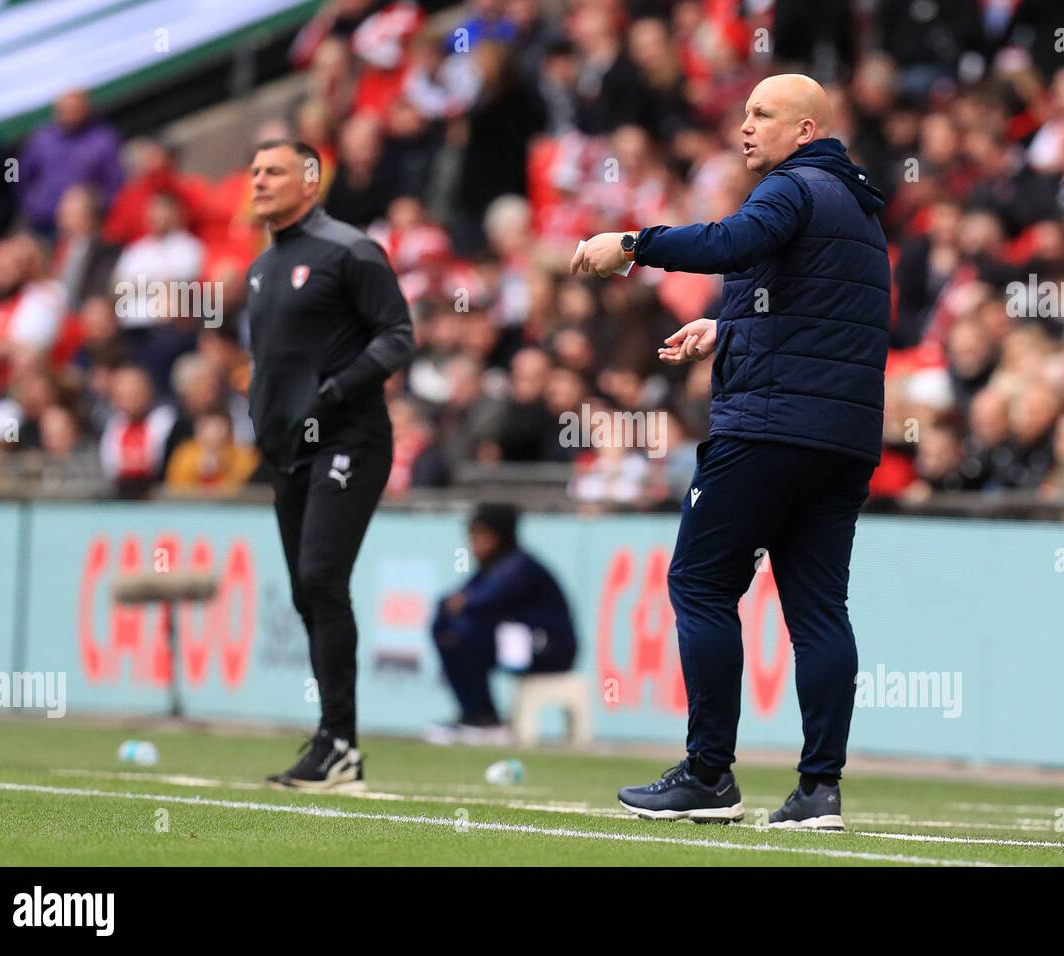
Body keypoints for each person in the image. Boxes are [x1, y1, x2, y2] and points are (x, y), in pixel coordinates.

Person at [572, 74, 889, 829]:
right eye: (744, 113)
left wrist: (630, 243)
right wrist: (732, 328)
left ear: (806, 129)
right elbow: (825, 320)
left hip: (767, 431)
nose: (744, 128)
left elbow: (730, 243)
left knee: (702, 586)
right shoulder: (861, 209)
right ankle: (819, 791)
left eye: (762, 115)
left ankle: (709, 775)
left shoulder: (793, 187)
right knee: (818, 611)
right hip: (843, 441)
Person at [245, 138, 415, 792]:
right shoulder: (262, 269)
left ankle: (339, 743)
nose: (259, 181)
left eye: (274, 171)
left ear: (309, 182)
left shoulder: (349, 250)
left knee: (321, 575)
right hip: (287, 449)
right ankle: (332, 738)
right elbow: (270, 365)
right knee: (304, 590)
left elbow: (398, 335)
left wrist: (336, 390)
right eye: (255, 171)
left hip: (350, 438)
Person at [425, 503, 577, 745]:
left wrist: (459, 607)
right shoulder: (490, 568)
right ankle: (474, 713)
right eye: (472, 536)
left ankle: (486, 719)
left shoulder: (521, 566)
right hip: (518, 645)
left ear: (501, 536)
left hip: (551, 649)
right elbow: (452, 601)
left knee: (468, 631)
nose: (474, 543)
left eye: (482, 535)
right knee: (447, 629)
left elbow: (482, 601)